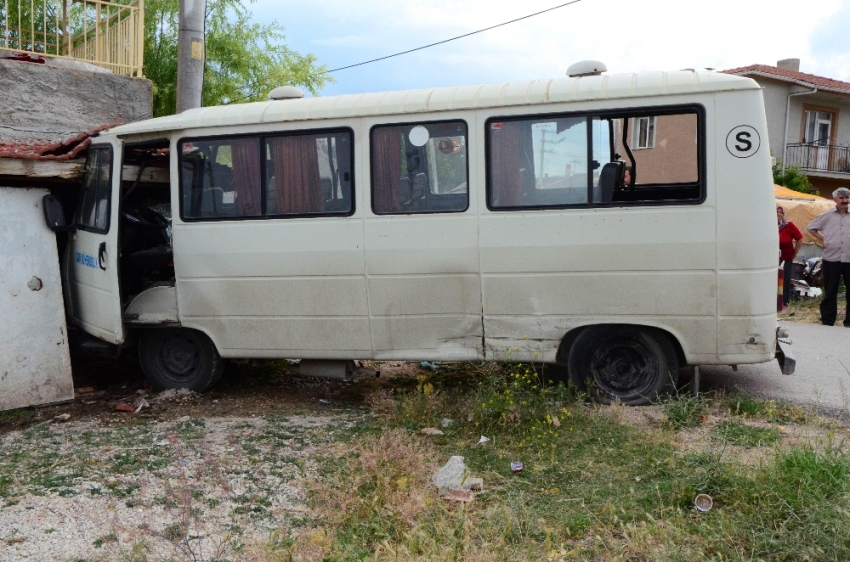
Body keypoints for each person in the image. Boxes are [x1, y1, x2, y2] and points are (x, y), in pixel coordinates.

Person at [807, 186, 850, 326]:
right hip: (832, 258)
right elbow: (810, 228)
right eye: (841, 198)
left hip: (849, 259)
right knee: (830, 290)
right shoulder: (827, 215)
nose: (844, 200)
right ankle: (828, 320)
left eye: (847, 198)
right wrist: (822, 239)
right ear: (835, 199)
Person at [777, 206, 803, 310]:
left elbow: (800, 238)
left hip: (786, 256)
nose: (779, 214)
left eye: (781, 212)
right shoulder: (768, 225)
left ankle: (784, 302)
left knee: (784, 279)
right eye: (776, 212)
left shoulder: (789, 225)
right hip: (771, 257)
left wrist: (795, 252)